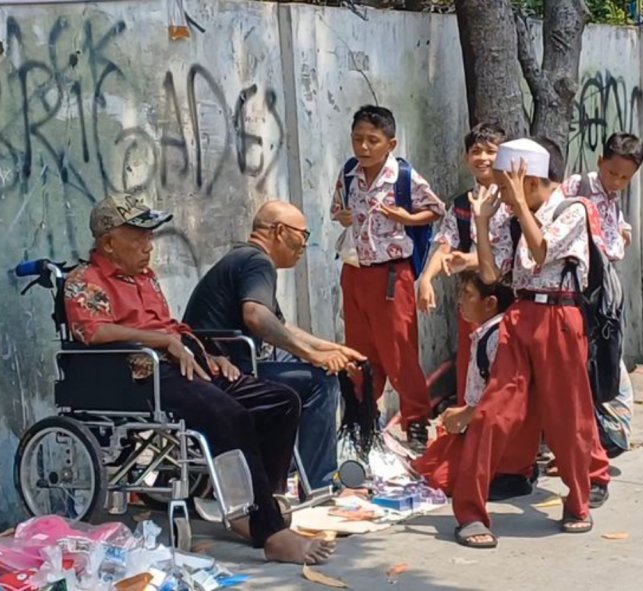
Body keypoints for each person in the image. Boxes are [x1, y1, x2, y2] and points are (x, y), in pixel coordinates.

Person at [63, 194, 335, 564]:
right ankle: (272, 534)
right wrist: (165, 342)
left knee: (281, 400)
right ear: (109, 242)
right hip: (140, 375)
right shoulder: (85, 280)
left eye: (150, 236)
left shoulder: (145, 278)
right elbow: (91, 331)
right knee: (230, 416)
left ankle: (258, 506)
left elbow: (172, 326)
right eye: (138, 237)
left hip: (182, 361)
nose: (149, 245)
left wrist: (207, 352)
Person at [451, 138, 610, 549]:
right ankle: (470, 511)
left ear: (531, 181)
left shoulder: (573, 209)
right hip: (521, 316)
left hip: (559, 316)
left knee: (567, 416)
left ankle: (577, 501)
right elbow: (489, 273)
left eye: (506, 186)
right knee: (492, 411)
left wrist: (519, 205)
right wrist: (484, 223)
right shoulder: (513, 214)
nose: (501, 195)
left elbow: (541, 254)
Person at [183, 200, 365, 490]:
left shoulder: (245, 259)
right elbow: (256, 317)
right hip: (228, 371)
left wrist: (329, 349)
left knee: (309, 365)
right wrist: (313, 356)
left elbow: (279, 324)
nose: (304, 245)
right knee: (321, 382)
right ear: (280, 231)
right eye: (303, 236)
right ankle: (320, 483)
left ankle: (295, 465)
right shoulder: (258, 262)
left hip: (231, 362)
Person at [330, 105, 445, 453]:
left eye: (372, 140)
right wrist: (344, 216)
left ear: (390, 143)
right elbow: (337, 210)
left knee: (399, 350)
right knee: (359, 350)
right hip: (355, 272)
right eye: (358, 139)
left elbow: (436, 210)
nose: (363, 147)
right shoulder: (350, 172)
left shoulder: (404, 177)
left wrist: (406, 218)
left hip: (391, 274)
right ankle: (362, 416)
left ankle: (416, 420)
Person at [413, 272, 539, 499]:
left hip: (497, 430)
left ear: (490, 303)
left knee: (441, 481)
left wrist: (467, 414)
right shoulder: (485, 334)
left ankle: (513, 474)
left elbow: (505, 395)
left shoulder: (499, 339)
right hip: (476, 423)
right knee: (424, 465)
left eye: (467, 295)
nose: (459, 301)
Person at [559, 132, 643, 460]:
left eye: (626, 177)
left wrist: (624, 236)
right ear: (599, 161)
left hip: (604, 297)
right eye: (613, 173)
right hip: (577, 293)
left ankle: (606, 436)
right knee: (584, 367)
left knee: (601, 364)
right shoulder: (576, 188)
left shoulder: (613, 197)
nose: (618, 181)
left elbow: (617, 234)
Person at [417, 122, 509, 406]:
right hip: (474, 297)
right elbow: (444, 244)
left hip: (510, 297)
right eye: (476, 151)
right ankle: (470, 424)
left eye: (490, 151)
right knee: (472, 363)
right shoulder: (461, 204)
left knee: (508, 363)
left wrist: (469, 259)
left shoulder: (514, 201)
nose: (482, 157)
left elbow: (510, 253)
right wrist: (427, 280)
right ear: (466, 158)